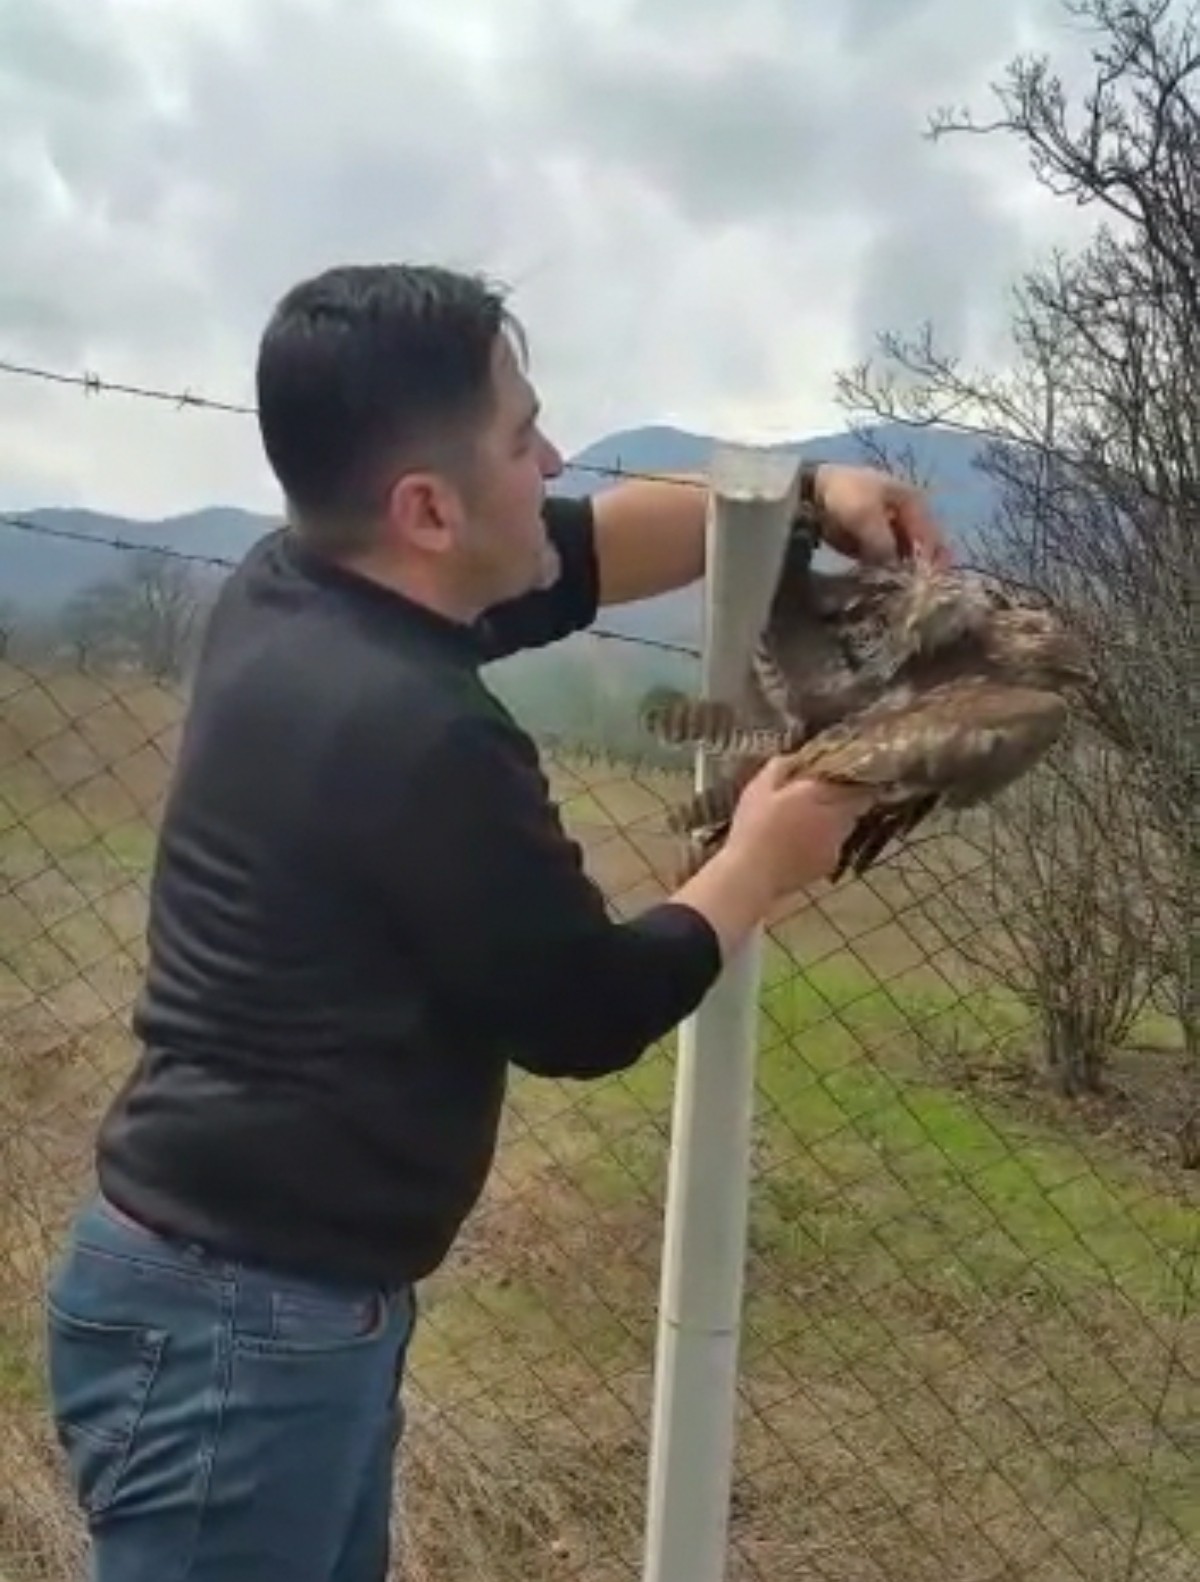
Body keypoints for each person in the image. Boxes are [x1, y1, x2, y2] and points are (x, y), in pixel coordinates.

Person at [42, 263, 950, 1582]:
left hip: (240, 1300)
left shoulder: (298, 585)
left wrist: (806, 494)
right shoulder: (415, 731)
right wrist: (761, 861)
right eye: (523, 439)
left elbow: (587, 549)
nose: (556, 458)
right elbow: (581, 1008)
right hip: (244, 1333)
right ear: (425, 509)